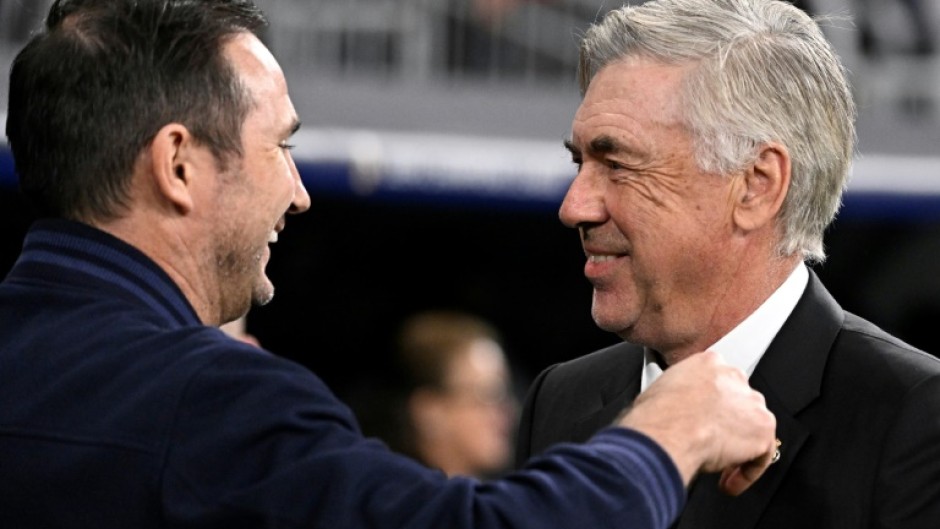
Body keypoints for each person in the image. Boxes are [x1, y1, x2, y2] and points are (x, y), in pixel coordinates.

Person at [0, 1, 778, 528]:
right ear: (178, 164)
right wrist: (670, 430)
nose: (298, 192)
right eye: (281, 145)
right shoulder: (209, 400)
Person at [513, 0, 940, 528]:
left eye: (617, 164)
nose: (574, 206)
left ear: (757, 186)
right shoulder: (560, 401)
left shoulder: (914, 418)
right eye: (580, 162)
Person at [366, 310, 519, 479]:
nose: (507, 413)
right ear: (430, 411)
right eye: (487, 394)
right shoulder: (397, 493)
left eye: (505, 394)